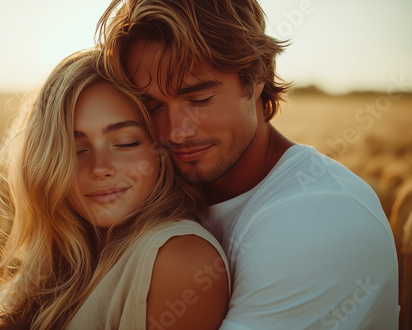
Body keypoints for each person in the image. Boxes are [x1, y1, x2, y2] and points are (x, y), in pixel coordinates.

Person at [97, 0, 400, 328]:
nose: (174, 132)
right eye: (152, 106)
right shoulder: (154, 190)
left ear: (258, 75)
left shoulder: (320, 221)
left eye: (198, 99)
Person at [0, 48, 229, 329]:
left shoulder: (180, 261)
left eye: (126, 143)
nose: (100, 168)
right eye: (76, 149)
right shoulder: (56, 259)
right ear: (47, 161)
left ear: (160, 149)